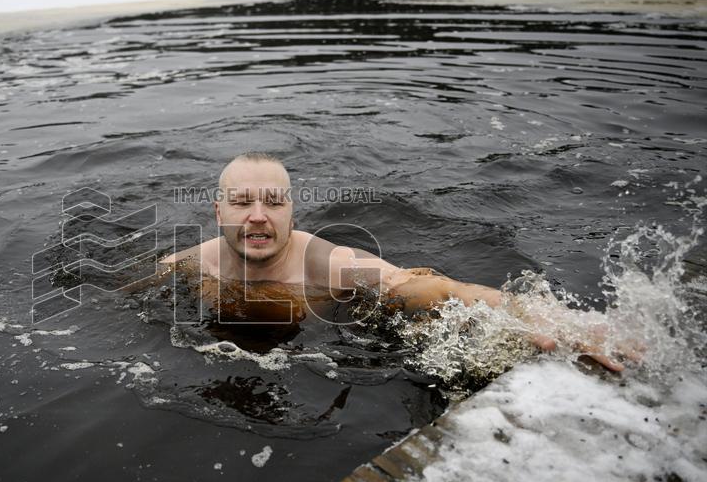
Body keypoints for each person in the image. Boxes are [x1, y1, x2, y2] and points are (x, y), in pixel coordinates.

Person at [161, 152, 631, 371]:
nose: (258, 216)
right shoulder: (187, 264)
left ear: (292, 212)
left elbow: (424, 287)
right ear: (218, 212)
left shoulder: (325, 263)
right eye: (242, 202)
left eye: (273, 202)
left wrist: (544, 316)